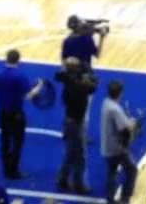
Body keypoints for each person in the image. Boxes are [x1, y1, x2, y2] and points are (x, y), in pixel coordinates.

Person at [0, 49, 42, 179]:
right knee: (17, 142)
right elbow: (28, 96)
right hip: (16, 114)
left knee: (5, 141)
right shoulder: (20, 76)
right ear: (18, 60)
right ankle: (13, 170)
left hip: (2, 113)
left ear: (6, 59)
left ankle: (6, 169)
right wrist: (38, 88)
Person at [56, 56, 99, 194]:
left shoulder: (67, 80)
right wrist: (89, 73)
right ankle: (79, 185)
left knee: (70, 153)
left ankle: (62, 179)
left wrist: (81, 73)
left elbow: (61, 74)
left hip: (69, 121)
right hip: (75, 124)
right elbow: (93, 87)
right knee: (80, 156)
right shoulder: (78, 86)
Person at [100, 79, 139, 204]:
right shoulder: (115, 109)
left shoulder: (106, 103)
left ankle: (110, 199)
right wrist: (132, 123)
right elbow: (124, 127)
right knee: (132, 170)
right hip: (117, 148)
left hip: (106, 145)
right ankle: (125, 199)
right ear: (120, 93)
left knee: (111, 172)